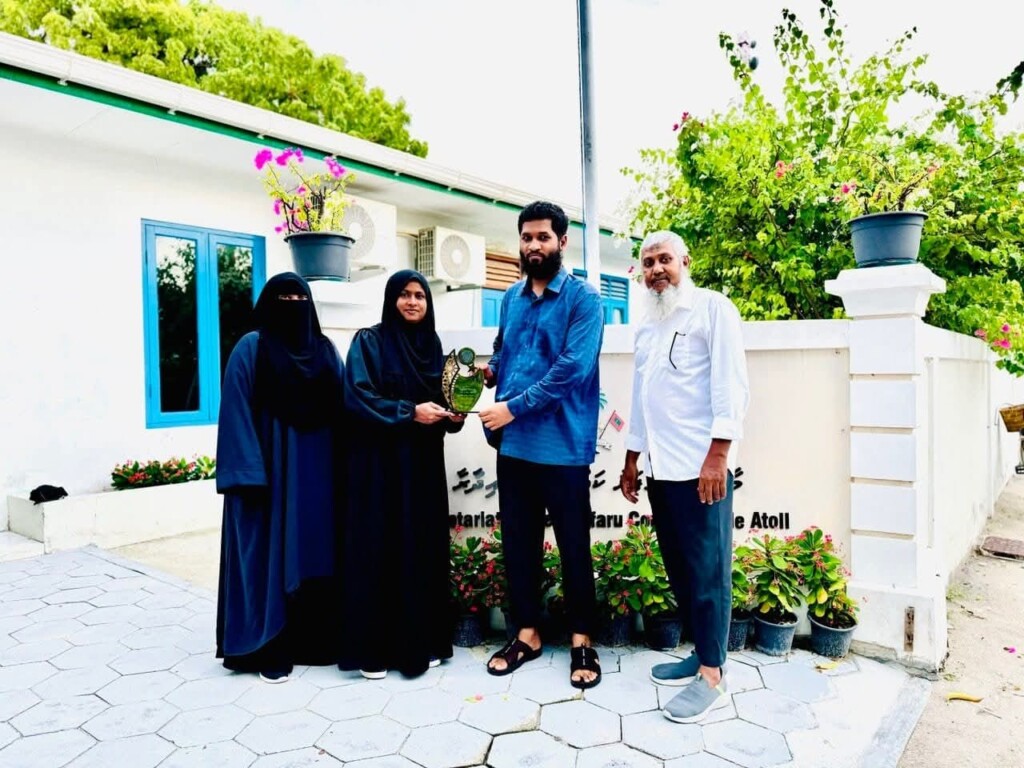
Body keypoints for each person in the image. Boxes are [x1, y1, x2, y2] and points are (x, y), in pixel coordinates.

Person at [619, 231, 749, 723]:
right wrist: (632, 457)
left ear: (685, 262)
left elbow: (731, 386)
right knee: (680, 570)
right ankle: (701, 654)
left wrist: (719, 456)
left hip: (702, 470)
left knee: (708, 572)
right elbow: (642, 396)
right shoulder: (647, 326)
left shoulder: (713, 310)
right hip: (661, 469)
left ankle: (713, 676)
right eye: (648, 262)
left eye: (665, 260)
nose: (656, 270)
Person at [478, 200, 605, 689]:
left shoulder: (583, 299)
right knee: (519, 545)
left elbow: (572, 369)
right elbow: (503, 348)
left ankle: (582, 639)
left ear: (561, 242)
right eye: (527, 237)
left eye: (543, 237)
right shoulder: (510, 297)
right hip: (514, 447)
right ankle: (527, 634)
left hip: (563, 446)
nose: (534, 245)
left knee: (574, 546)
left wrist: (511, 407)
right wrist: (490, 371)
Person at [215, 272, 345, 683]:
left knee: (316, 554)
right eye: (283, 298)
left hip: (317, 476)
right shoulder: (251, 348)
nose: (293, 305)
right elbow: (234, 412)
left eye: (299, 298)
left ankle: (314, 642)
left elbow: (346, 408)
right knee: (267, 557)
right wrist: (248, 476)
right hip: (267, 477)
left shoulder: (325, 351)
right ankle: (268, 647)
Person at [338, 269, 464, 679]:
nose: (412, 302)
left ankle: (422, 643)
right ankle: (374, 651)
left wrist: (454, 414)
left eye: (420, 296)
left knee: (421, 549)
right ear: (392, 299)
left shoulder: (433, 347)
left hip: (423, 468)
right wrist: (409, 412)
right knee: (381, 549)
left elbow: (441, 403)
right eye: (405, 295)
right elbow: (357, 397)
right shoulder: (369, 342)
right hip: (380, 468)